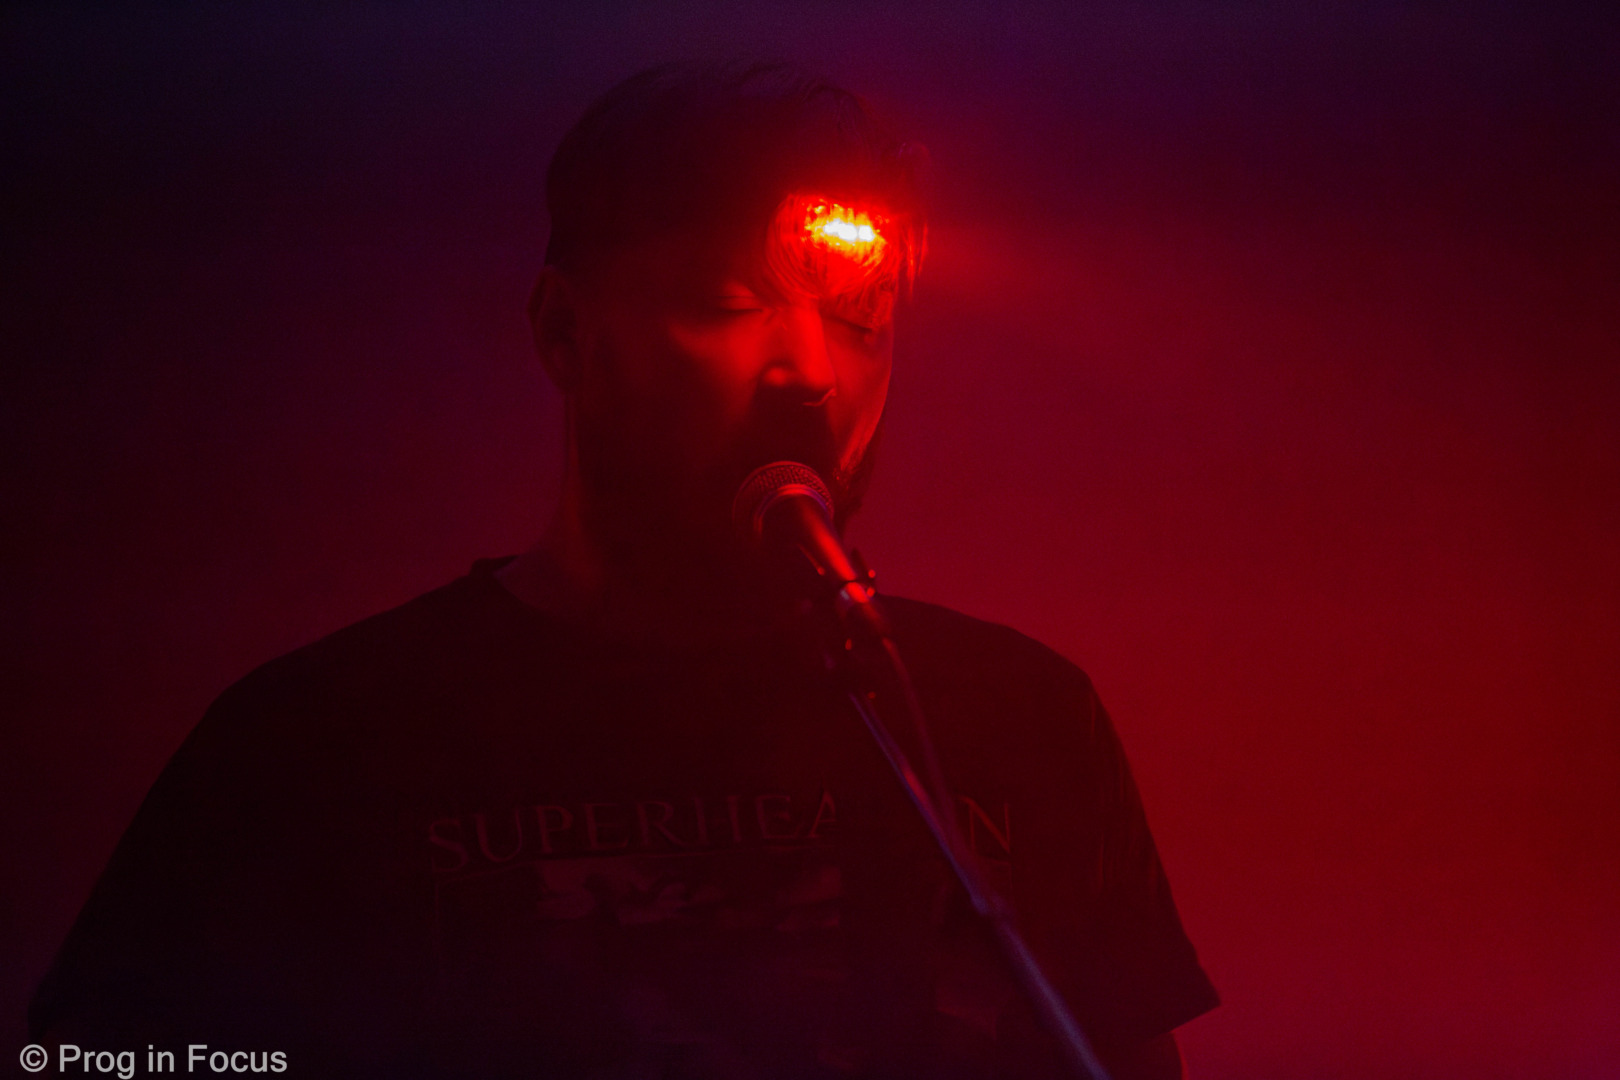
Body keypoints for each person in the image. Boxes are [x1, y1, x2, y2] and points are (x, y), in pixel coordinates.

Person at [29, 61, 1217, 1079]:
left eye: (860, 313)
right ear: (564, 332)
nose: (808, 370)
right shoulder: (321, 741)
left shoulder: (1018, 720)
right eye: (725, 302)